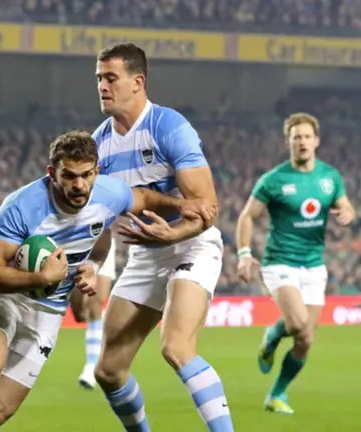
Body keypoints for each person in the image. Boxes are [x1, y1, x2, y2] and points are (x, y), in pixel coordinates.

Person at [0, 130, 216, 432]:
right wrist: (41, 277)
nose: (79, 184)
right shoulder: (22, 206)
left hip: (48, 311)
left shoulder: (109, 194)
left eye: (86, 175)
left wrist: (180, 206)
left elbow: (141, 200)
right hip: (6, 298)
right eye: (69, 175)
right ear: (51, 172)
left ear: (97, 171)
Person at [92, 43, 232, 431]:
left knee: (176, 346)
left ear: (138, 82)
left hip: (191, 245)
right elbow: (99, 220)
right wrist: (91, 264)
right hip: (145, 255)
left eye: (111, 78)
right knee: (108, 370)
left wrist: (171, 233)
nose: (102, 86)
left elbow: (207, 208)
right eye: (99, 78)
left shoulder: (168, 127)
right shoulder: (98, 145)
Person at [236, 113, 355, 415]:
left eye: (306, 136)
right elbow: (247, 217)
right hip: (279, 263)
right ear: (288, 142)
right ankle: (272, 335)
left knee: (305, 340)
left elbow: (345, 205)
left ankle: (276, 395)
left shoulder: (330, 177)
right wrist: (245, 253)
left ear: (316, 141)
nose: (302, 142)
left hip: (314, 266)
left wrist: (346, 213)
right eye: (296, 137)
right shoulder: (274, 180)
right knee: (297, 324)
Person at [69, 236, 117, 389]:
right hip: (76, 244)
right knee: (80, 314)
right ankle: (103, 325)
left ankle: (91, 367)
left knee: (95, 302)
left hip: (101, 245)